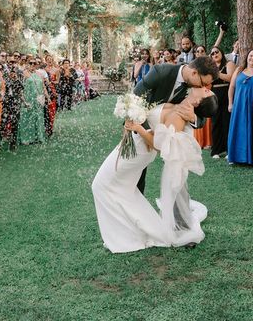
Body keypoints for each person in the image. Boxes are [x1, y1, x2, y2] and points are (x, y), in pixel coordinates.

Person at [92, 87, 217, 253]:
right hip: (135, 146)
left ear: (197, 102)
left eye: (207, 92)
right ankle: (129, 234)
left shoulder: (178, 116)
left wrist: (140, 129)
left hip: (139, 151)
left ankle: (127, 236)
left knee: (100, 185)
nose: (206, 87)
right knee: (124, 191)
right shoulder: (178, 102)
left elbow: (160, 146)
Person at [133, 56, 219, 193]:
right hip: (140, 126)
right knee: (136, 174)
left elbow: (202, 117)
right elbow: (135, 96)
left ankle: (176, 208)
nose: (202, 88)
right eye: (202, 83)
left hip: (164, 134)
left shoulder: (195, 91)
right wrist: (146, 131)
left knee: (176, 172)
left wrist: (193, 117)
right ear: (194, 73)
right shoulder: (161, 72)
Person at [227, 49, 253, 166]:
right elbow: (232, 87)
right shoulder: (239, 70)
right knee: (239, 130)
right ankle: (237, 157)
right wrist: (230, 103)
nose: (252, 59)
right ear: (247, 57)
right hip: (239, 107)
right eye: (251, 56)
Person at [209, 46, 235, 158]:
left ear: (222, 52)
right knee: (215, 123)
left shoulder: (229, 64)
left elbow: (230, 78)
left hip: (226, 93)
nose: (215, 54)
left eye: (217, 52)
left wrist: (217, 73)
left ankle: (229, 150)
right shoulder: (211, 66)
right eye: (212, 53)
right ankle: (216, 150)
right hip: (214, 95)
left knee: (226, 122)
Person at [19, 60, 46, 145]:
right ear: (27, 64)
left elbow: (43, 86)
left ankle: (38, 137)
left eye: (35, 63)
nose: (33, 65)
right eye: (30, 63)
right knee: (28, 118)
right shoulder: (24, 73)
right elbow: (20, 88)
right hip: (28, 99)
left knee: (38, 118)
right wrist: (23, 100)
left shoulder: (39, 74)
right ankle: (27, 138)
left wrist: (47, 98)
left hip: (38, 99)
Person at [192, 47, 213, 149]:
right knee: (196, 115)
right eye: (198, 51)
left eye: (202, 51)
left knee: (207, 118)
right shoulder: (192, 66)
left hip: (206, 90)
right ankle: (198, 141)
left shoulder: (209, 66)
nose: (200, 53)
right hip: (195, 92)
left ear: (205, 52)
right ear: (195, 54)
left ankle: (208, 141)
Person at [2, 65, 25, 151]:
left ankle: (13, 143)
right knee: (3, 123)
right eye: (11, 73)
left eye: (14, 73)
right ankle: (0, 142)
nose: (13, 75)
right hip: (7, 104)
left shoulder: (18, 82)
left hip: (16, 104)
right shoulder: (6, 82)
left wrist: (24, 102)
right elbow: (4, 91)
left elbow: (20, 93)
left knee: (15, 124)